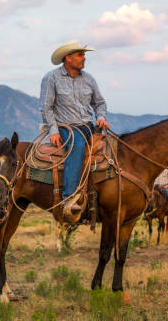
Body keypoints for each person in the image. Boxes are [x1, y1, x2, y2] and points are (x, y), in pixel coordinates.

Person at [40, 40, 109, 222]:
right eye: (80, 54)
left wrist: (101, 117)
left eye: (83, 54)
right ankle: (69, 199)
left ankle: (102, 197)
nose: (84, 58)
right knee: (77, 148)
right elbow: (46, 108)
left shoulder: (89, 79)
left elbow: (99, 103)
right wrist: (53, 131)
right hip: (67, 128)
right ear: (68, 58)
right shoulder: (52, 78)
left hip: (89, 126)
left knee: (110, 149)